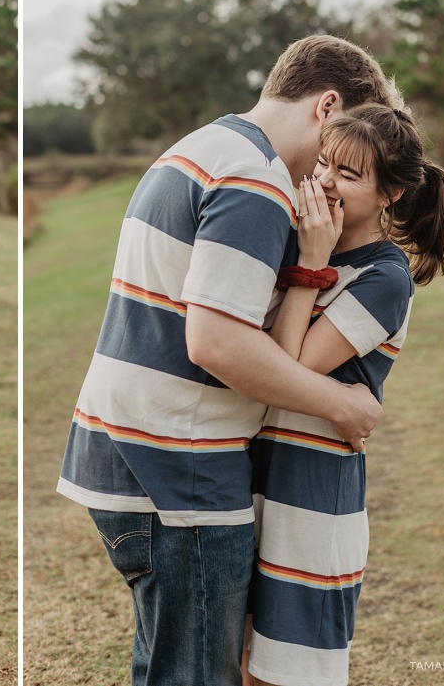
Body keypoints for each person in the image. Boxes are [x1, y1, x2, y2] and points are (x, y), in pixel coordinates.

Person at [57, 35, 400, 686]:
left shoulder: (200, 146)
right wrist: (343, 404)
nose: (328, 175)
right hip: (179, 463)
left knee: (167, 662)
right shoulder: (255, 179)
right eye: (348, 139)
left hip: (121, 447)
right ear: (327, 107)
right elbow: (215, 342)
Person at [245, 104, 444, 686]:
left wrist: (312, 266)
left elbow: (286, 369)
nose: (328, 181)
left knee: (287, 674)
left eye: (352, 174)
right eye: (327, 163)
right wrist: (307, 258)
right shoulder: (299, 242)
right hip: (257, 480)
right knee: (242, 667)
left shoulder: (383, 278)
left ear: (390, 193)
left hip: (312, 497)